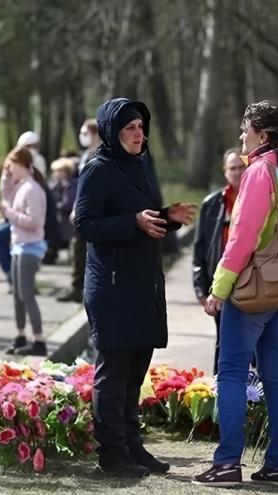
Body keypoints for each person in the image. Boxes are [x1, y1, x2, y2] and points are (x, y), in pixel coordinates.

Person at [74, 98, 195, 478]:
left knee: (135, 373)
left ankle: (131, 445)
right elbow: (85, 224)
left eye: (141, 126)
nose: (138, 133)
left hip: (143, 284)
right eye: (129, 127)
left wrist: (165, 218)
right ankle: (111, 454)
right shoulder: (97, 169)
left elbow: (143, 220)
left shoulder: (141, 164)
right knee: (113, 373)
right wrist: (133, 221)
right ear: (111, 132)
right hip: (111, 288)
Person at [194, 101, 278, 488]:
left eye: (245, 130)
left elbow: (244, 238)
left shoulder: (260, 172)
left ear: (263, 135)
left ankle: (227, 463)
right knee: (275, 376)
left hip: (254, 291)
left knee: (230, 372)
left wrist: (218, 288)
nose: (241, 138)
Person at [192, 148, 247, 374]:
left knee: (250, 342)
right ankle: (220, 390)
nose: (236, 172)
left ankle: (254, 396)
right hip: (220, 283)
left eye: (241, 167)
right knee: (223, 340)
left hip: (248, 281)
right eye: (232, 168)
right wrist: (200, 286)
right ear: (225, 172)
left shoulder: (257, 198)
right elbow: (200, 247)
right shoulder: (211, 204)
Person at [0, 146, 48, 356]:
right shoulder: (21, 186)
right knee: (17, 295)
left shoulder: (33, 189)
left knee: (26, 294)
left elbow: (34, 221)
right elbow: (7, 195)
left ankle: (39, 339)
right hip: (18, 245)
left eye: (12, 166)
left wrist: (9, 214)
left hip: (30, 247)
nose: (10, 170)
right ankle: (20, 335)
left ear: (22, 165)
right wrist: (5, 177)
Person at [58, 119, 101, 303]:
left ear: (96, 134)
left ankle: (85, 288)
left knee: (88, 251)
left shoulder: (101, 155)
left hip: (94, 211)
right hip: (82, 208)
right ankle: (78, 287)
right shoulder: (86, 155)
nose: (82, 137)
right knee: (78, 249)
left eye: (86, 133)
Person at [49, 157, 78, 256]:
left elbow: (68, 204)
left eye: (57, 171)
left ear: (65, 171)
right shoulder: (58, 184)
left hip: (66, 221)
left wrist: (54, 206)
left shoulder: (70, 185)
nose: (55, 174)